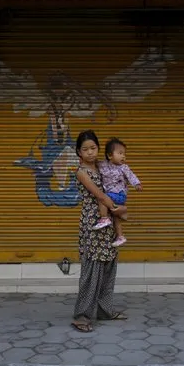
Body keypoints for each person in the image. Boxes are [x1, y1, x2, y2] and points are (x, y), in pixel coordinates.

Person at [71, 130, 128, 333]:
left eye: (93, 148)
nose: (90, 152)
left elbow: (119, 186)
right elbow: (101, 196)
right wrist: (120, 210)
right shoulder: (81, 172)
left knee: (108, 267)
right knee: (92, 269)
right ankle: (82, 316)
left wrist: (119, 212)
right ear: (79, 151)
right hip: (93, 223)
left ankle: (105, 310)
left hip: (108, 223)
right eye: (85, 149)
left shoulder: (104, 167)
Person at [93, 138, 142, 247]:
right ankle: (120, 236)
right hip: (113, 195)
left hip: (119, 194)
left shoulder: (124, 168)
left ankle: (104, 218)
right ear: (110, 155)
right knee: (116, 218)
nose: (123, 156)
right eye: (120, 153)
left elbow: (131, 175)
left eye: (124, 154)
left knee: (102, 198)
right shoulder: (103, 165)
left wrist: (136, 184)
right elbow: (95, 163)